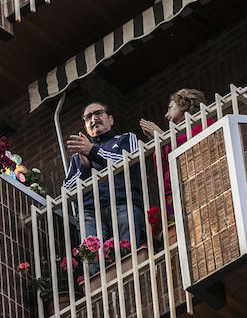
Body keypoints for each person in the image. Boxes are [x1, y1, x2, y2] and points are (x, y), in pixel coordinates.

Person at [64, 101, 146, 262]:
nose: (93, 119)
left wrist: (92, 151)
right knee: (93, 265)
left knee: (129, 257)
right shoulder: (77, 157)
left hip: (123, 203)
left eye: (98, 113)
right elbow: (66, 189)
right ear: (86, 126)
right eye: (88, 117)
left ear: (111, 119)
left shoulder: (126, 138)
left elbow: (129, 161)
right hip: (90, 213)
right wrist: (84, 168)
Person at [140, 87, 212, 207]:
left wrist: (163, 137)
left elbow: (193, 148)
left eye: (170, 107)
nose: (166, 115)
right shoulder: (173, 133)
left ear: (184, 104)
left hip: (198, 182)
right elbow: (162, 169)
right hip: (174, 190)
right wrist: (158, 143)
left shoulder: (203, 121)